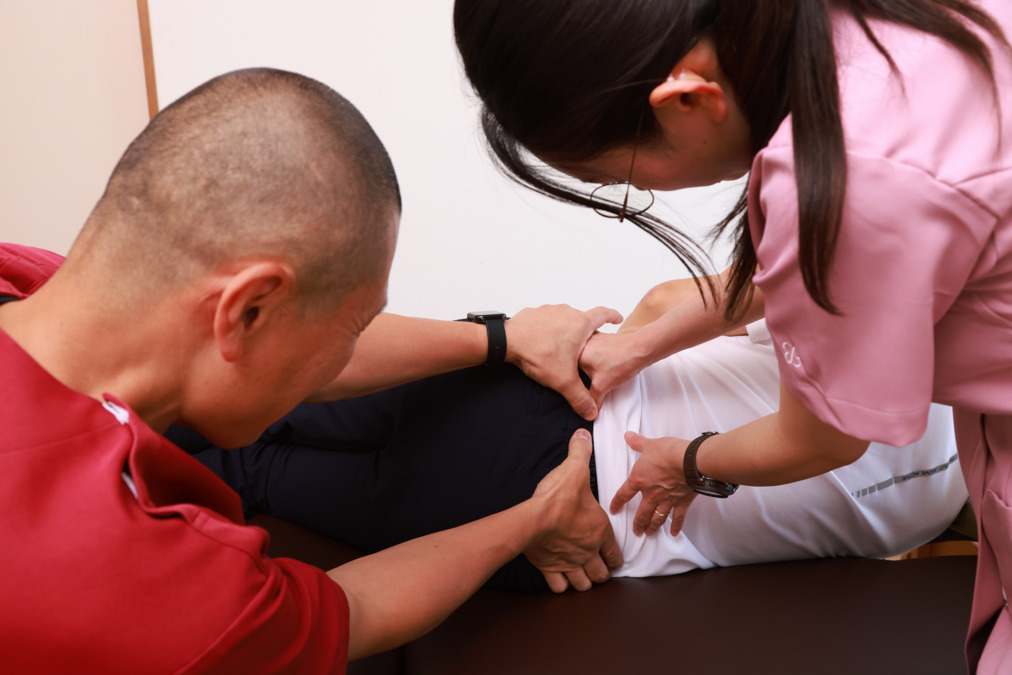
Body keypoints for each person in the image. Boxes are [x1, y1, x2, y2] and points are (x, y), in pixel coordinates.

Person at [0, 67, 624, 673]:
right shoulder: (142, 583)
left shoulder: (37, 283)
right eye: (352, 330)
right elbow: (354, 610)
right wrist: (535, 519)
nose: (349, 350)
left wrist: (505, 338)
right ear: (245, 310)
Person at [452, 0, 1012, 670]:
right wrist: (639, 344)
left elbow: (824, 435)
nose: (632, 193)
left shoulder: (846, 179)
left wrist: (687, 462)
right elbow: (825, 269)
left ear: (687, 98)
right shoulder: (848, 42)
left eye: (619, 182)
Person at [177, 284, 967, 591]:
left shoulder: (928, 448)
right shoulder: (925, 506)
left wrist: (634, 353)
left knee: (259, 404)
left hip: (558, 445)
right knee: (257, 462)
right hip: (578, 495)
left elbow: (704, 296)